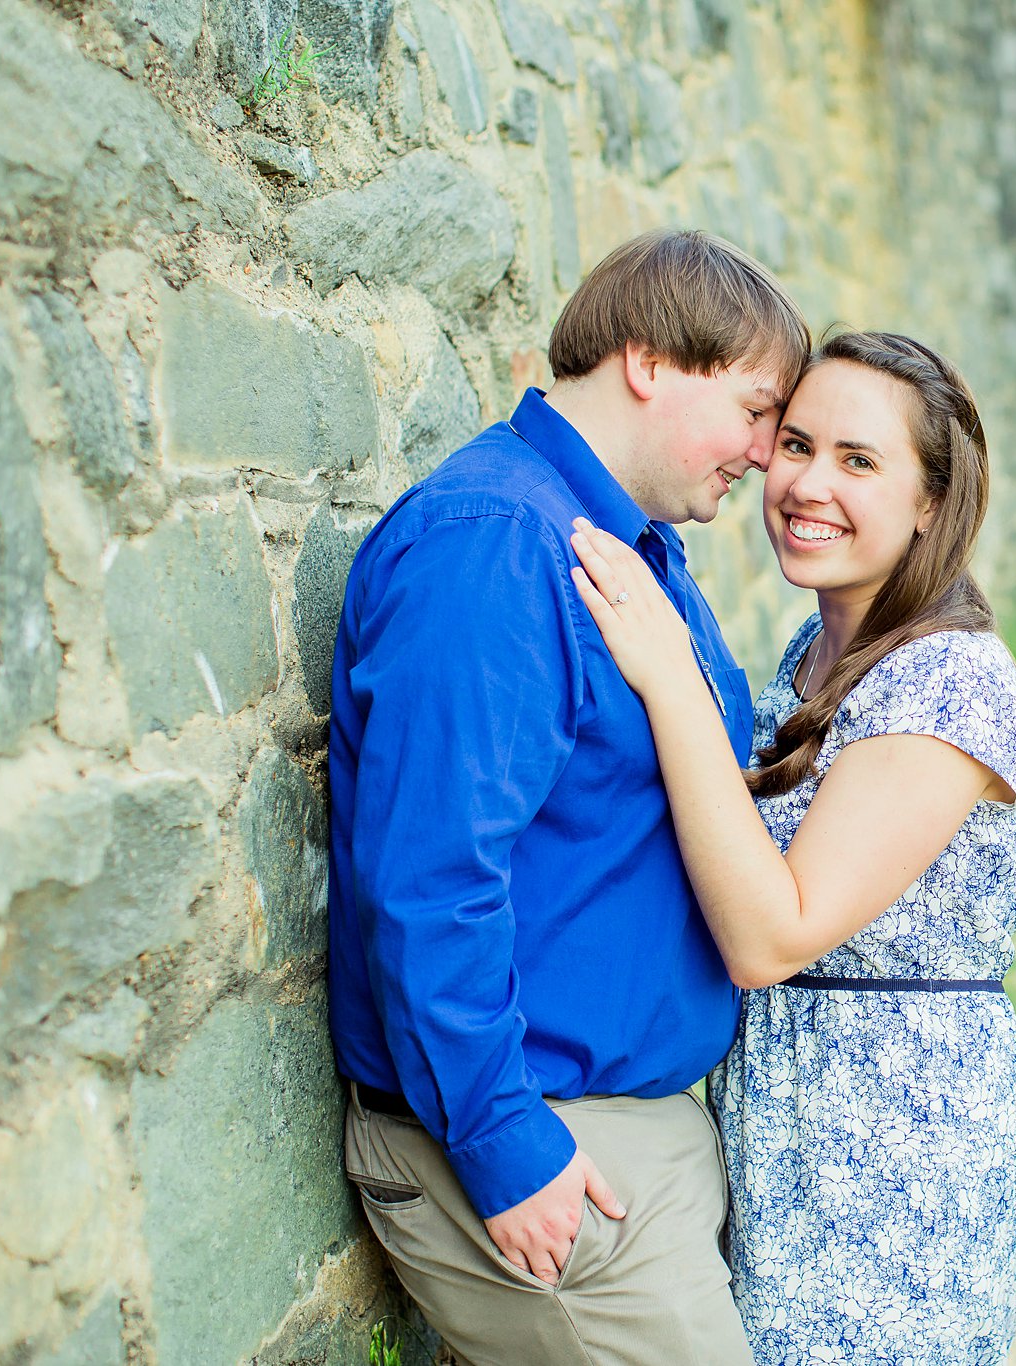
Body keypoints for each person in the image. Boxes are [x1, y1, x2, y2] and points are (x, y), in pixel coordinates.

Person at [325, 228, 808, 1364]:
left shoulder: (624, 549)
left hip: (627, 1136)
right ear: (649, 360)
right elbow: (430, 875)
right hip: (539, 1147)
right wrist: (505, 1142)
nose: (762, 453)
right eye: (752, 408)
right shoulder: (495, 544)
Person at [568, 330, 1016, 1364]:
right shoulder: (815, 654)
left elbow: (772, 935)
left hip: (896, 1143)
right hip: (783, 1122)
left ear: (929, 502)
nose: (807, 483)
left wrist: (669, 677)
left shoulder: (949, 677)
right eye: (795, 444)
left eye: (859, 461)